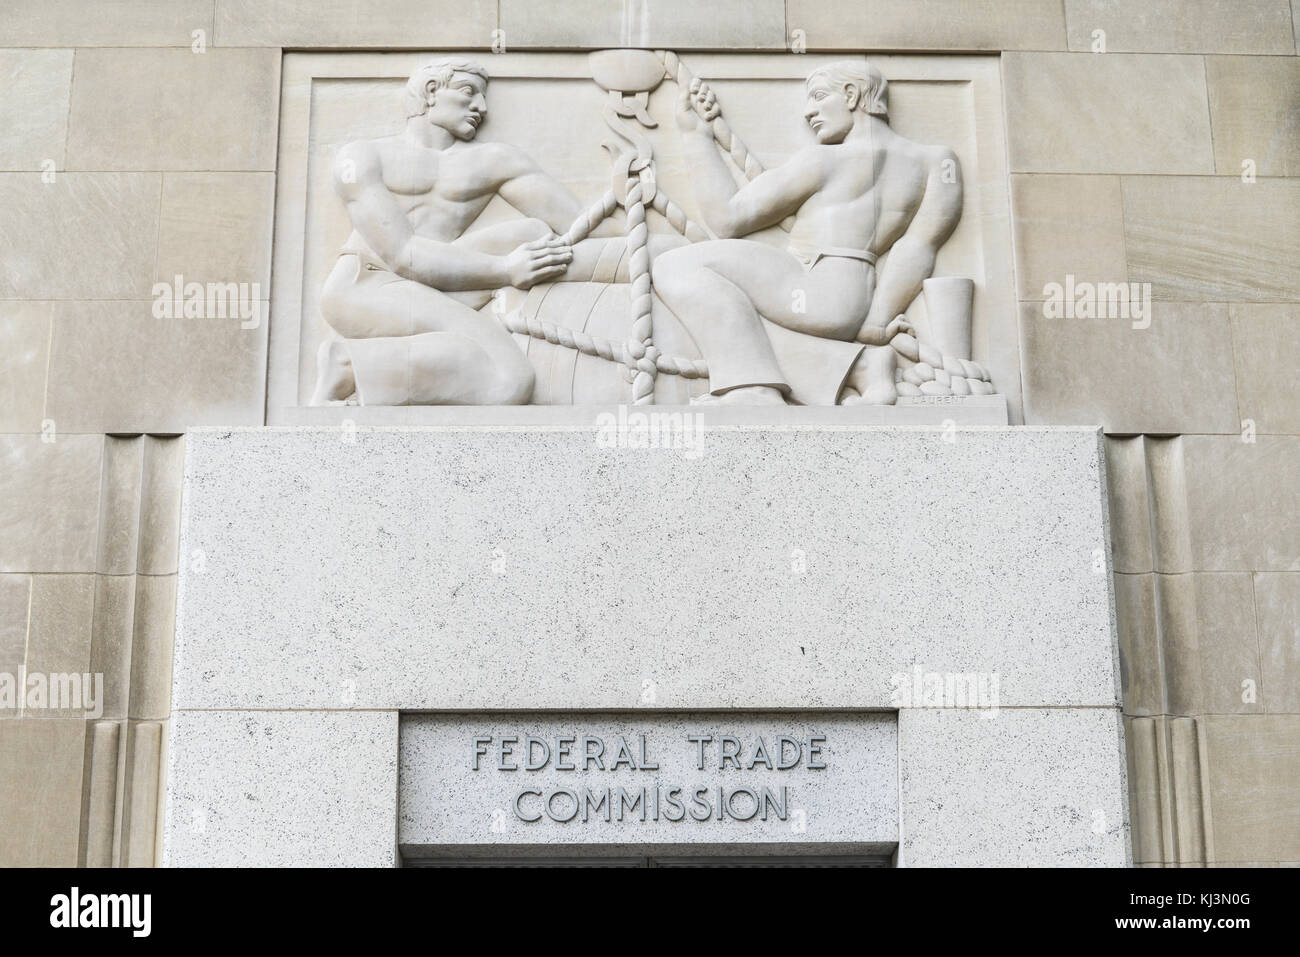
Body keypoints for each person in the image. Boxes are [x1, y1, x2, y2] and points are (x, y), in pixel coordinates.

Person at [652, 60, 964, 405]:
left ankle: (753, 389)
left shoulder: (822, 161)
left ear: (851, 95)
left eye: (817, 96)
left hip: (810, 286)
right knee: (707, 285)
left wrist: (695, 136)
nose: (807, 112)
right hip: (853, 297)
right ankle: (861, 366)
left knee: (673, 267)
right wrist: (876, 320)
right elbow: (918, 248)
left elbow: (726, 219)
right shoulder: (938, 162)